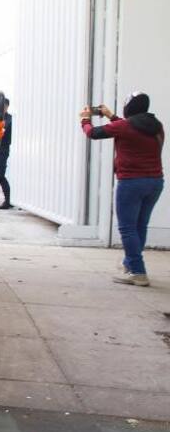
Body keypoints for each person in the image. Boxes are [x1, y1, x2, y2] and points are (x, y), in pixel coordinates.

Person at [81, 93, 165, 287]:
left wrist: (85, 119)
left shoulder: (125, 126)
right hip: (155, 183)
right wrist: (111, 116)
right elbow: (129, 129)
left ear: (130, 107)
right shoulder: (156, 126)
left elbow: (93, 133)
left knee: (127, 228)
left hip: (131, 183)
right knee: (139, 226)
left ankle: (138, 272)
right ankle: (130, 263)